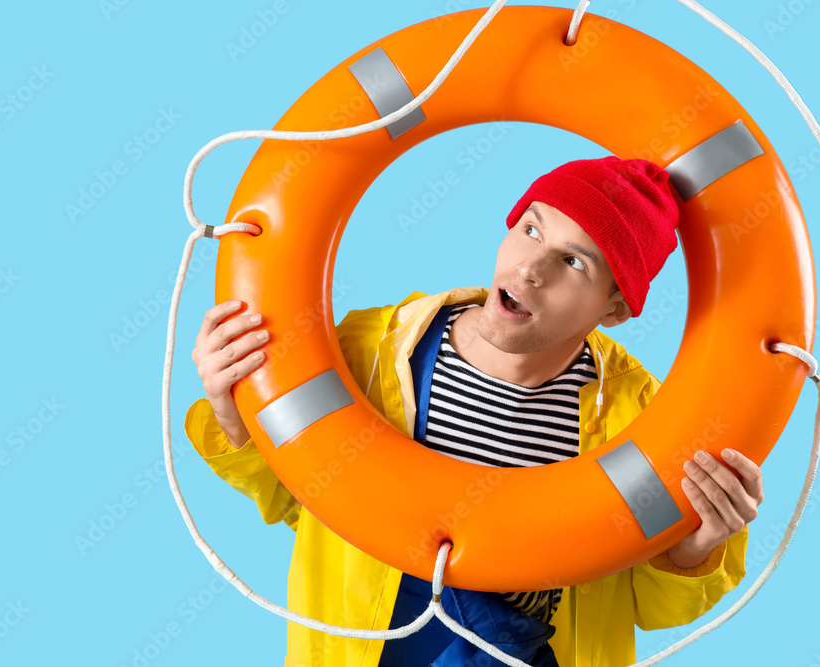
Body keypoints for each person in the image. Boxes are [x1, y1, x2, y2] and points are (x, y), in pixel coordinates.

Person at [185, 156, 762, 667]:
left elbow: (644, 603)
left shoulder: (640, 425)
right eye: (532, 229)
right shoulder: (373, 352)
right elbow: (296, 496)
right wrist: (232, 401)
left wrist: (696, 544)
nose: (532, 268)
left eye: (575, 263)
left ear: (614, 310)